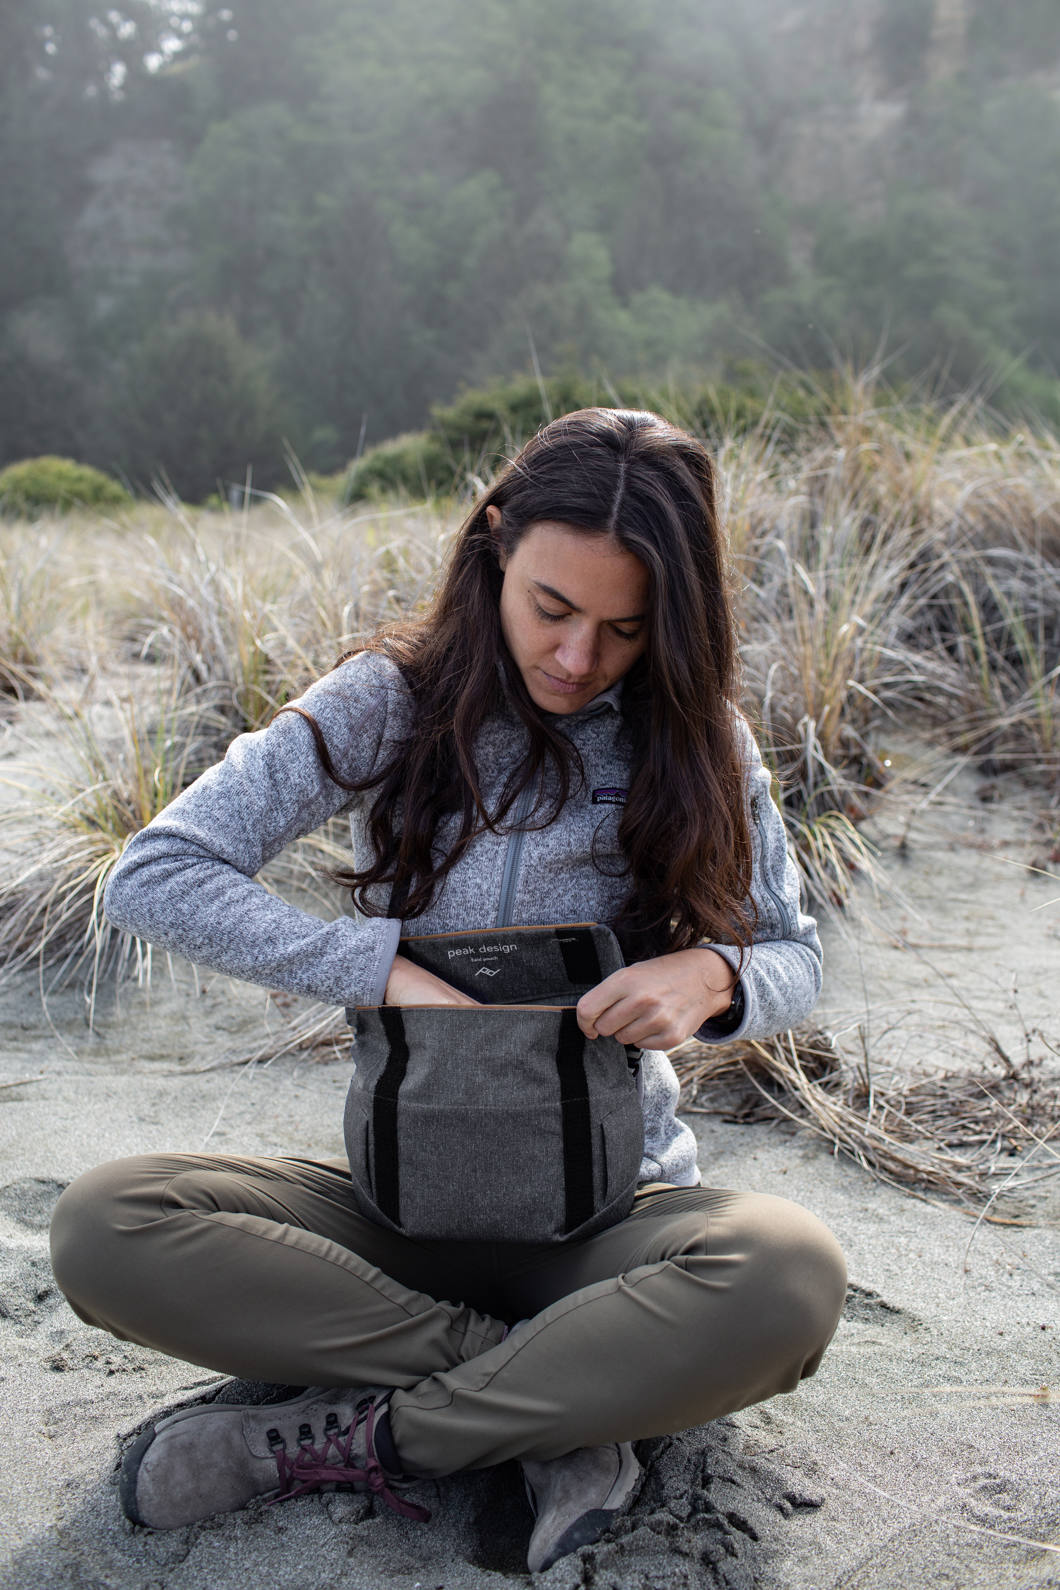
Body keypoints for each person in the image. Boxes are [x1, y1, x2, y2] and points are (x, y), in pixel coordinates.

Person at [50, 407, 847, 1574]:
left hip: (610, 1228)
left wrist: (714, 975)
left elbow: (794, 955)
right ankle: (560, 1400)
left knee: (789, 1275)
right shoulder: (387, 699)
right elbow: (155, 874)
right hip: (392, 1223)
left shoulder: (699, 740)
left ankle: (359, 1437)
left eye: (624, 629)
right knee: (104, 1227)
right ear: (494, 546)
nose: (577, 658)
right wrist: (374, 968)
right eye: (551, 608)